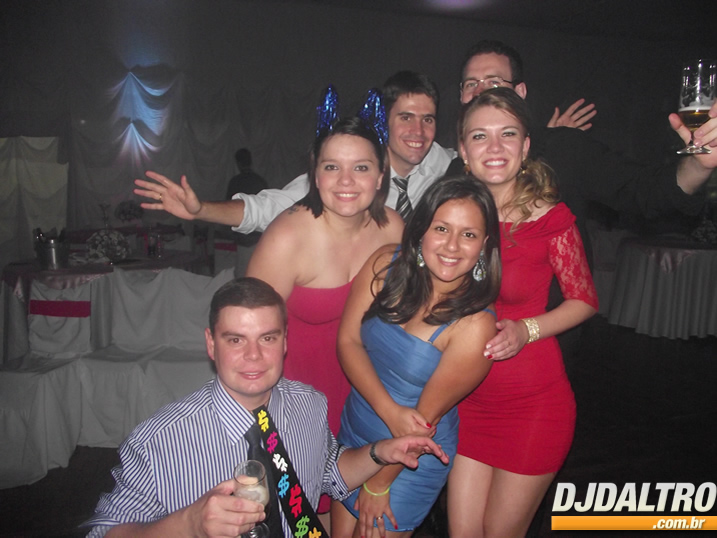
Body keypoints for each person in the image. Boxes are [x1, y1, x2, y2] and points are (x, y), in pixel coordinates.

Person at [83, 277, 449, 538]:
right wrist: (189, 524)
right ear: (211, 344)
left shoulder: (309, 405)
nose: (254, 356)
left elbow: (327, 473)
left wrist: (381, 452)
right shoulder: (159, 440)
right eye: (235, 340)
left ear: (285, 341)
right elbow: (102, 532)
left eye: (268, 338)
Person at [132, 71, 589, 231]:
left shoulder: (452, 164)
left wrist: (542, 137)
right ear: (383, 121)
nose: (418, 131)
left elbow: (498, 162)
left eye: (428, 118)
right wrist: (201, 211)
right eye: (405, 117)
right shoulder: (356, 171)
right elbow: (270, 206)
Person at [446, 87, 599, 537]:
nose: (494, 147)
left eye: (508, 134)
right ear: (463, 151)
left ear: (526, 146)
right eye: (480, 136)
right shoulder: (450, 217)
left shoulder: (550, 218)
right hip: (465, 401)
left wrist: (526, 329)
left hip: (533, 404)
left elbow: (585, 300)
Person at [332, 176, 502, 537]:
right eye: (441, 228)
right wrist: (389, 411)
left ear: (484, 245)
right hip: (358, 429)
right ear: (422, 228)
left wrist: (379, 483)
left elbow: (425, 423)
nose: (452, 246)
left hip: (408, 462)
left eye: (468, 234)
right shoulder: (385, 263)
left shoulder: (476, 326)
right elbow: (348, 341)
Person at [246, 105, 403, 438]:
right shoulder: (287, 238)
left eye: (361, 167)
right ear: (315, 176)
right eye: (332, 167)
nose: (346, 180)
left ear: (380, 176)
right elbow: (246, 337)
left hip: (368, 395)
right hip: (294, 401)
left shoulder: (393, 230)